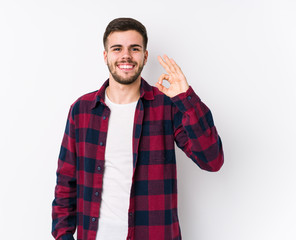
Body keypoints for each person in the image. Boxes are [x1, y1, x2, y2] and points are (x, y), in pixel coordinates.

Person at [51, 17, 224, 240]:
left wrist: (186, 98)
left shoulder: (167, 106)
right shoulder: (82, 110)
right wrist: (63, 236)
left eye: (134, 48)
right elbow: (66, 182)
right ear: (105, 56)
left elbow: (212, 160)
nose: (126, 56)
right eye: (117, 48)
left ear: (145, 56)